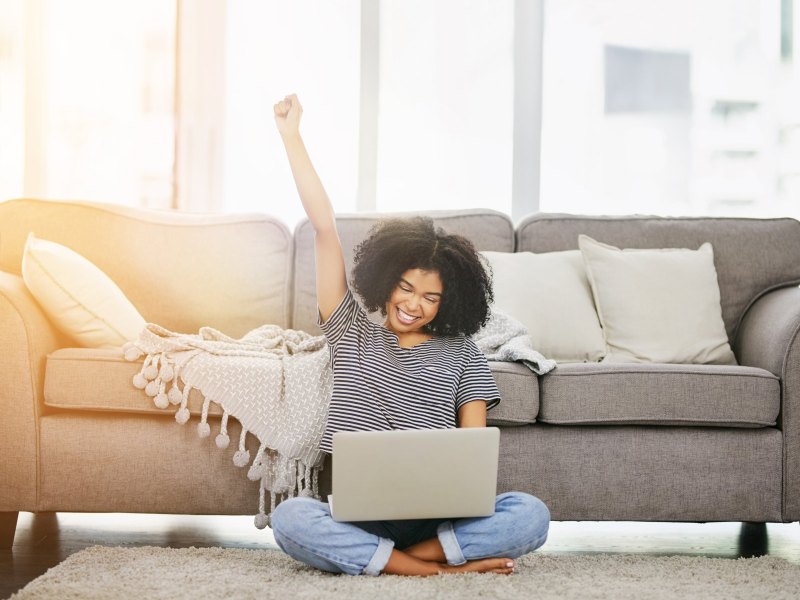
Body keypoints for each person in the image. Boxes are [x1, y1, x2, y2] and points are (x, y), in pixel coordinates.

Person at [269, 93, 550, 576]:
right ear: (388, 279)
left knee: (531, 514)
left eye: (430, 298)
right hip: (361, 519)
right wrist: (292, 138)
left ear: (450, 303)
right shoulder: (351, 330)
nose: (412, 304)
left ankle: (397, 563)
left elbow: (471, 456)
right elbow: (323, 229)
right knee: (291, 517)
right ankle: (440, 571)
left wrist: (456, 497)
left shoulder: (463, 353)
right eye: (405, 287)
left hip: (436, 522)